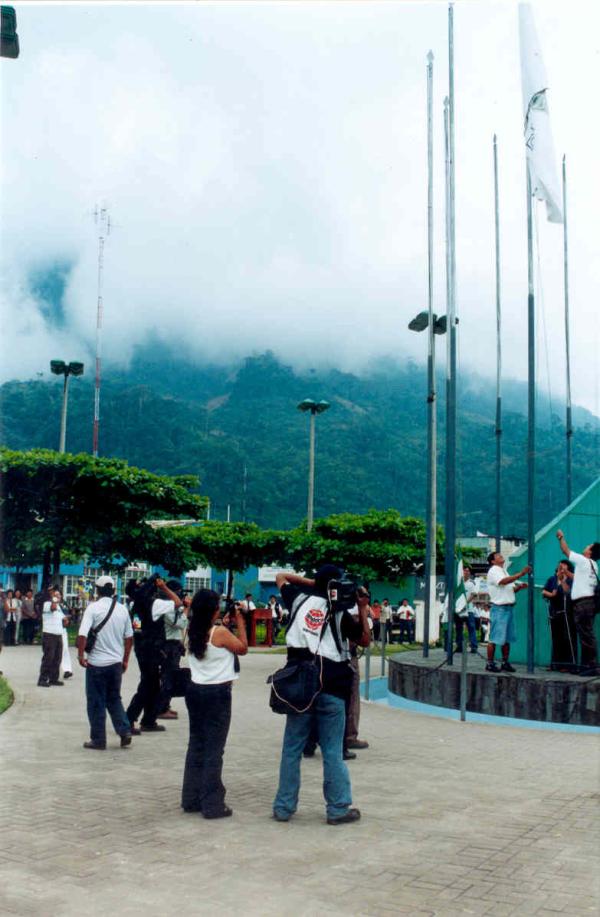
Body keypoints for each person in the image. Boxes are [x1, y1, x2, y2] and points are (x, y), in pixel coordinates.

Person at [272, 565, 370, 826]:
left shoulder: (298, 599)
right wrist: (361, 606)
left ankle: (283, 807)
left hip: (300, 688)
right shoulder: (340, 612)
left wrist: (316, 583)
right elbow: (365, 640)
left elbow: (280, 576)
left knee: (291, 749)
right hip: (332, 687)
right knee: (332, 751)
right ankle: (337, 808)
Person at [181, 589, 248, 818]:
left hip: (195, 690)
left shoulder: (192, 630)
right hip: (217, 693)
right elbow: (243, 648)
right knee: (214, 749)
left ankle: (190, 798)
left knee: (197, 744)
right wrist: (240, 622)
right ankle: (212, 803)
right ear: (214, 610)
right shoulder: (219, 632)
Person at [76, 576, 134, 750]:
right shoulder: (122, 609)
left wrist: (80, 656)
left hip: (96, 664)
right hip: (115, 664)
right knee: (114, 698)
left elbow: (82, 635)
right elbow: (129, 637)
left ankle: (98, 739)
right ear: (114, 590)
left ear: (98, 590)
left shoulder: (93, 609)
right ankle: (124, 731)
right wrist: (125, 660)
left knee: (96, 702)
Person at [126, 576, 186, 733]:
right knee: (147, 685)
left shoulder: (135, 604)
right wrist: (165, 588)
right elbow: (178, 602)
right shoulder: (153, 604)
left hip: (141, 648)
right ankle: (129, 719)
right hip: (152, 649)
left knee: (151, 684)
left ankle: (148, 720)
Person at [556, 531, 600, 676]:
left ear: (589, 552)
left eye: (588, 546)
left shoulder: (582, 560)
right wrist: (567, 574)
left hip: (583, 604)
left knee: (586, 635)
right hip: (589, 603)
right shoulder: (593, 565)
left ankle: (592, 665)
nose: (586, 547)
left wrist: (561, 537)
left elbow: (565, 551)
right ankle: (587, 665)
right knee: (586, 633)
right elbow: (579, 577)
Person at [485, 553, 530, 672]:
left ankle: (505, 662)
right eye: (498, 556)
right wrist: (521, 573)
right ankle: (489, 663)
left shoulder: (504, 570)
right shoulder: (494, 570)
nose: (501, 556)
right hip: (499, 608)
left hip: (509, 608)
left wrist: (519, 588)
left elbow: (510, 589)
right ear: (493, 561)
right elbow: (503, 582)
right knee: (494, 638)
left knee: (507, 638)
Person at [156, 592, 190, 720]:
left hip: (174, 646)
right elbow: (180, 624)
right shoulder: (167, 610)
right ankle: (162, 708)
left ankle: (165, 705)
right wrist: (187, 609)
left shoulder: (173, 609)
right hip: (168, 646)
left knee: (172, 676)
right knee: (168, 677)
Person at [542, 560, 577, 672]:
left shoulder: (571, 579)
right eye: (559, 565)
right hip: (554, 611)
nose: (561, 566)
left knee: (568, 638)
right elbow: (544, 591)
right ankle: (555, 664)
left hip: (567, 612)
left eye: (563, 565)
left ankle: (568, 665)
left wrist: (562, 581)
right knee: (556, 638)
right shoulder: (552, 579)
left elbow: (568, 591)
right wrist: (551, 594)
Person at [38, 586, 69, 687]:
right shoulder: (47, 603)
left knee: (57, 657)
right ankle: (42, 679)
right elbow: (52, 608)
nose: (58, 597)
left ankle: (53, 678)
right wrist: (54, 599)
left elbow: (63, 619)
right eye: (56, 595)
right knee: (48, 657)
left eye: (59, 595)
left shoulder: (59, 607)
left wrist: (65, 620)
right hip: (49, 634)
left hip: (58, 634)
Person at [455, 566, 478, 654]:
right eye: (464, 571)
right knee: (458, 628)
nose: (466, 572)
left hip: (469, 610)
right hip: (459, 610)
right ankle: (459, 646)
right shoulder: (458, 583)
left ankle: (474, 646)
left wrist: (464, 603)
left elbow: (474, 594)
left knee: (471, 628)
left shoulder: (472, 583)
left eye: (468, 571)